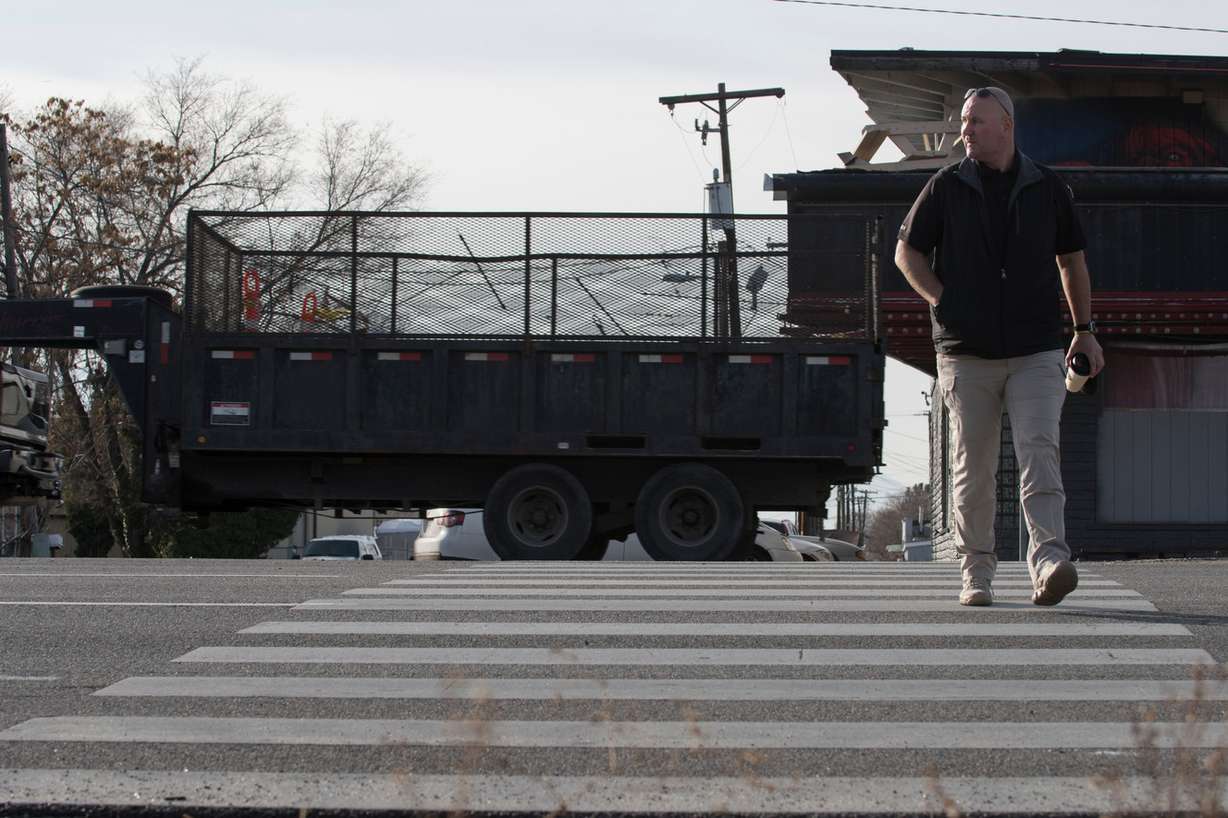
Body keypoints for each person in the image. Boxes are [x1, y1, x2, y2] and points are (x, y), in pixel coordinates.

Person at [894, 86, 1105, 607]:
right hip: (966, 353)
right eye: (965, 122)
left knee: (1040, 453)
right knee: (974, 465)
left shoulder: (1048, 187)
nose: (966, 131)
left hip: (1036, 348)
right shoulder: (945, 186)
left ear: (1007, 125)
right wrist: (943, 300)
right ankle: (977, 573)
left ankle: (1050, 560)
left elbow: (1071, 261)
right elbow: (907, 253)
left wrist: (1085, 329)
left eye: (976, 122)